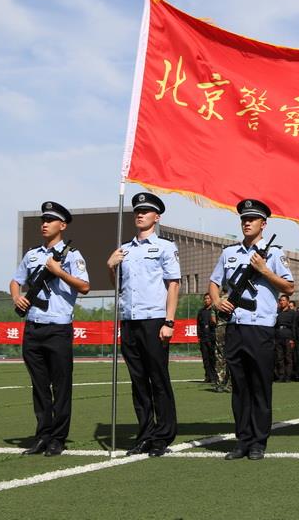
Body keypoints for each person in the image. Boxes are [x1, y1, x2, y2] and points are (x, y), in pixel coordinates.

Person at [209, 199, 294, 461]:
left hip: (260, 329)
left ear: (263, 224)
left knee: (259, 387)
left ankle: (259, 441)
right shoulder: (229, 253)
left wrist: (264, 270)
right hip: (236, 326)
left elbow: (289, 287)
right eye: (244, 219)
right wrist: (217, 301)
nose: (247, 222)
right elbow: (214, 282)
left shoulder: (274, 254)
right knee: (240, 388)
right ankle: (242, 440)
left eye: (253, 219)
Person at [11, 202, 89, 456]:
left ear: (62, 225)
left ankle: (58, 438)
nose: (44, 224)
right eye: (43, 220)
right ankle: (43, 435)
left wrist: (59, 271)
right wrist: (16, 297)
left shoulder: (71, 255)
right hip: (33, 327)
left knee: (61, 386)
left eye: (50, 220)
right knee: (39, 386)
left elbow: (84, 286)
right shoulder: (32, 254)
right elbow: (15, 280)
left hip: (58, 328)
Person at [107, 192, 180, 457]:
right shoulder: (123, 249)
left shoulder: (164, 247)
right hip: (129, 321)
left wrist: (169, 321)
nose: (140, 214)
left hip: (154, 321)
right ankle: (145, 434)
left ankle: (163, 435)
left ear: (156, 217)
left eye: (146, 211)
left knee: (158, 380)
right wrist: (111, 266)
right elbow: (120, 288)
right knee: (138, 381)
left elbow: (173, 284)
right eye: (137, 211)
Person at [274, 294, 296, 382]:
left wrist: (292, 339)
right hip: (278, 336)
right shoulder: (277, 312)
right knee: (279, 358)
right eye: (281, 300)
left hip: (288, 337)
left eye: (283, 300)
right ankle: (281, 376)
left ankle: (288, 376)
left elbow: (294, 326)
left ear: (287, 301)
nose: (282, 302)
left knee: (288, 357)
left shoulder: (292, 313)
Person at [196, 293, 217, 383]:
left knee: (213, 358)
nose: (206, 300)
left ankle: (215, 377)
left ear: (211, 300)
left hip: (212, 338)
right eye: (205, 299)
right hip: (203, 339)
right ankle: (208, 376)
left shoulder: (214, 310)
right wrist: (199, 336)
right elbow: (198, 325)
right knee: (205, 358)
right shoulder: (201, 311)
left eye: (208, 298)